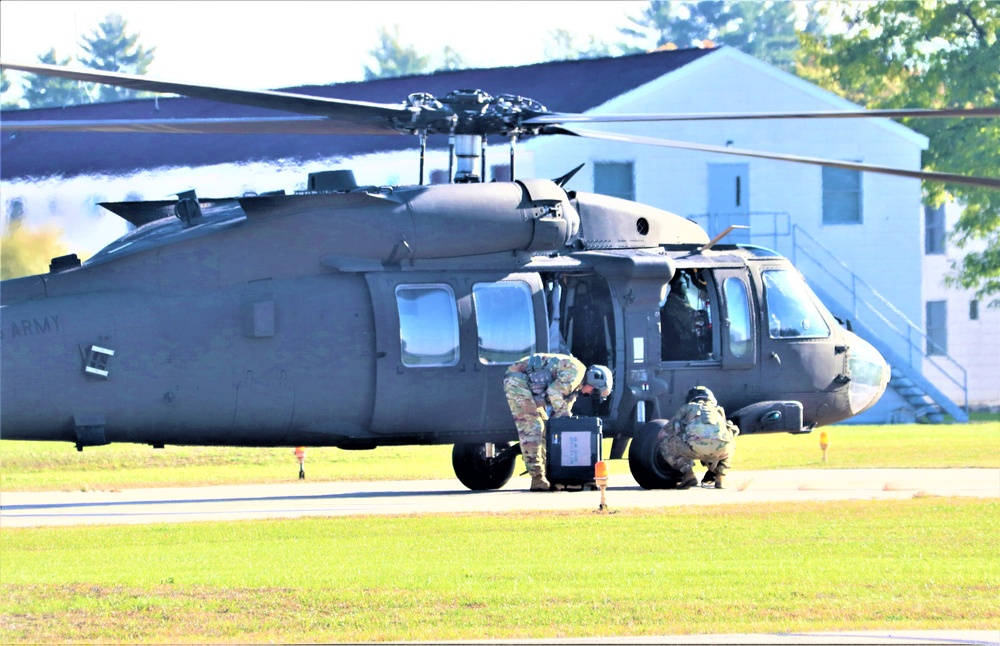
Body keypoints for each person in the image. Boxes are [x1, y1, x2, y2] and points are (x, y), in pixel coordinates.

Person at [503, 353, 613, 491]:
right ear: (593, 380)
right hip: (518, 381)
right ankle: (537, 478)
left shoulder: (576, 388)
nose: (591, 395)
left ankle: (550, 474)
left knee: (545, 431)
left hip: (530, 387)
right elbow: (554, 392)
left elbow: (561, 417)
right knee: (533, 428)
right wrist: (564, 416)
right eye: (595, 392)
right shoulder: (576, 372)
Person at [656, 386, 739, 489]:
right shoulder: (718, 410)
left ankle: (688, 475)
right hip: (720, 450)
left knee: (665, 441)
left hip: (693, 448)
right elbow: (734, 430)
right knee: (730, 441)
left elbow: (666, 430)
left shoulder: (687, 408)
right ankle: (720, 476)